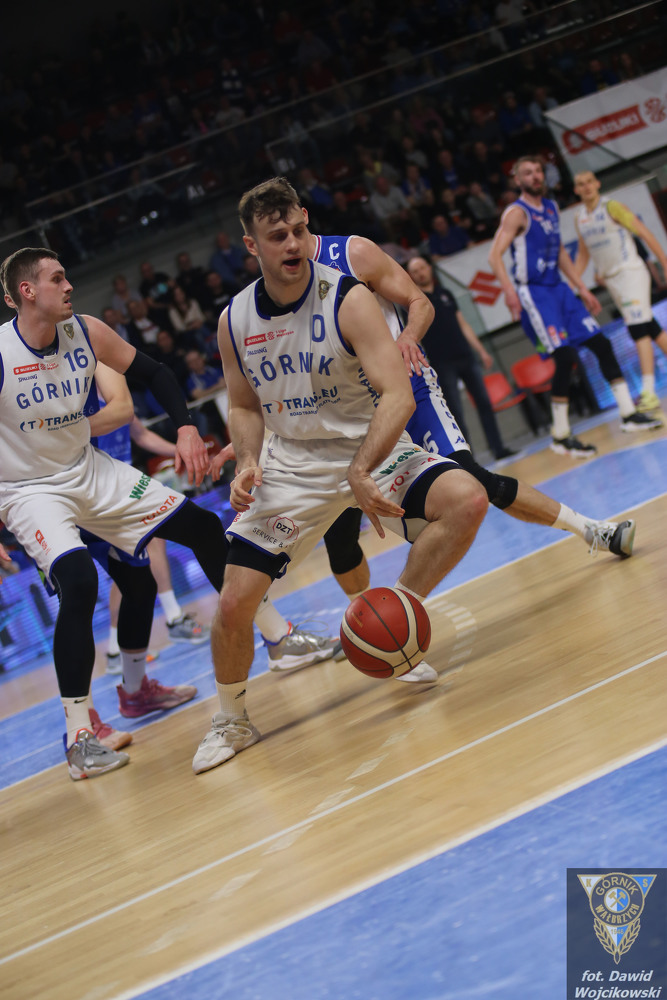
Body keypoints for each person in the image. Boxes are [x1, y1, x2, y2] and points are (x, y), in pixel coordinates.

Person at [193, 177, 489, 774]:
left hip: (369, 446)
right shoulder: (234, 320)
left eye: (299, 230)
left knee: (467, 498)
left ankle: (392, 621)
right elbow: (244, 405)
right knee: (234, 602)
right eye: (277, 236)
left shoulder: (347, 298)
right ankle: (232, 720)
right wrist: (247, 460)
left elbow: (397, 393)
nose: (293, 244)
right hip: (292, 466)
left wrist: (360, 467)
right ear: (251, 246)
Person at [308, 221, 639, 600]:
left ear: (303, 218)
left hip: (409, 385)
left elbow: (419, 302)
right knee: (339, 532)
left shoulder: (352, 253)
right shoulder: (277, 302)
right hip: (352, 413)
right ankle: (362, 615)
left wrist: (409, 335)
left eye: (292, 228)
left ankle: (590, 529)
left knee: (472, 477)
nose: (288, 243)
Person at [0, 247, 226, 780]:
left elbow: (157, 373)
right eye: (57, 278)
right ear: (27, 291)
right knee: (80, 582)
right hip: (29, 489)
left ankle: (274, 637)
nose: (69, 285)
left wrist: (186, 427)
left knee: (201, 528)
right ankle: (80, 736)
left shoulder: (86, 331)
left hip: (90, 470)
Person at [487, 156, 662, 459]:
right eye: (528, 173)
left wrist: (581, 287)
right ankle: (561, 434)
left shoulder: (551, 208)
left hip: (559, 289)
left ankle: (628, 414)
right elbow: (494, 256)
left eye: (538, 171)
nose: (535, 176)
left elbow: (559, 254)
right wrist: (509, 292)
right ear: (518, 180)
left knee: (601, 344)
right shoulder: (516, 213)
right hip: (535, 292)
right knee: (565, 356)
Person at [573, 170, 667, 413]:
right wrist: (574, 284)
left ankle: (648, 392)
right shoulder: (579, 217)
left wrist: (665, 263)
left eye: (589, 182)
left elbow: (645, 233)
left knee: (637, 329)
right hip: (612, 281)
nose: (586, 186)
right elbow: (584, 254)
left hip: (631, 273)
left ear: (597, 184)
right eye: (581, 184)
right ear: (576, 190)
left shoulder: (612, 207)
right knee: (650, 327)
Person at [406, 255, 515, 460]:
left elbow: (463, 324)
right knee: (455, 412)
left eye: (422, 267)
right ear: (410, 276)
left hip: (465, 356)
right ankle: (468, 459)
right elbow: (414, 337)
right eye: (415, 271)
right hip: (442, 364)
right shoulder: (415, 303)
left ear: (429, 268)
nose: (420, 273)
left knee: (484, 403)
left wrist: (481, 350)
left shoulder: (445, 293)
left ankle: (498, 448)